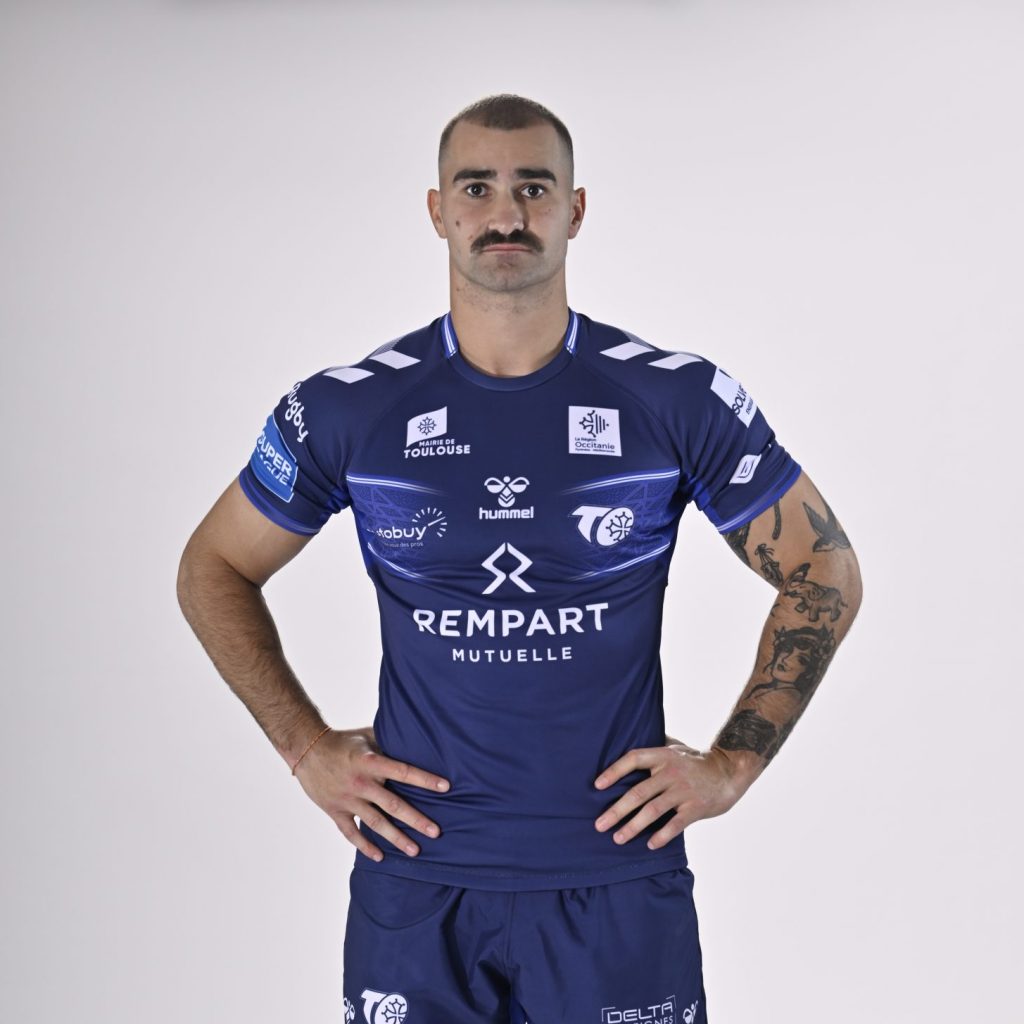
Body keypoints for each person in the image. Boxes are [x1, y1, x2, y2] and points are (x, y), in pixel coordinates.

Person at [177, 94, 862, 1024]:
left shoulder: (674, 399)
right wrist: (304, 748)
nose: (506, 214)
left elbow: (824, 567)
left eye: (534, 188)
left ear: (575, 210)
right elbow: (213, 566)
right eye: (477, 188)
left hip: (614, 877)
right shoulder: (350, 410)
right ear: (437, 211)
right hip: (416, 877)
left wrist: (733, 765)